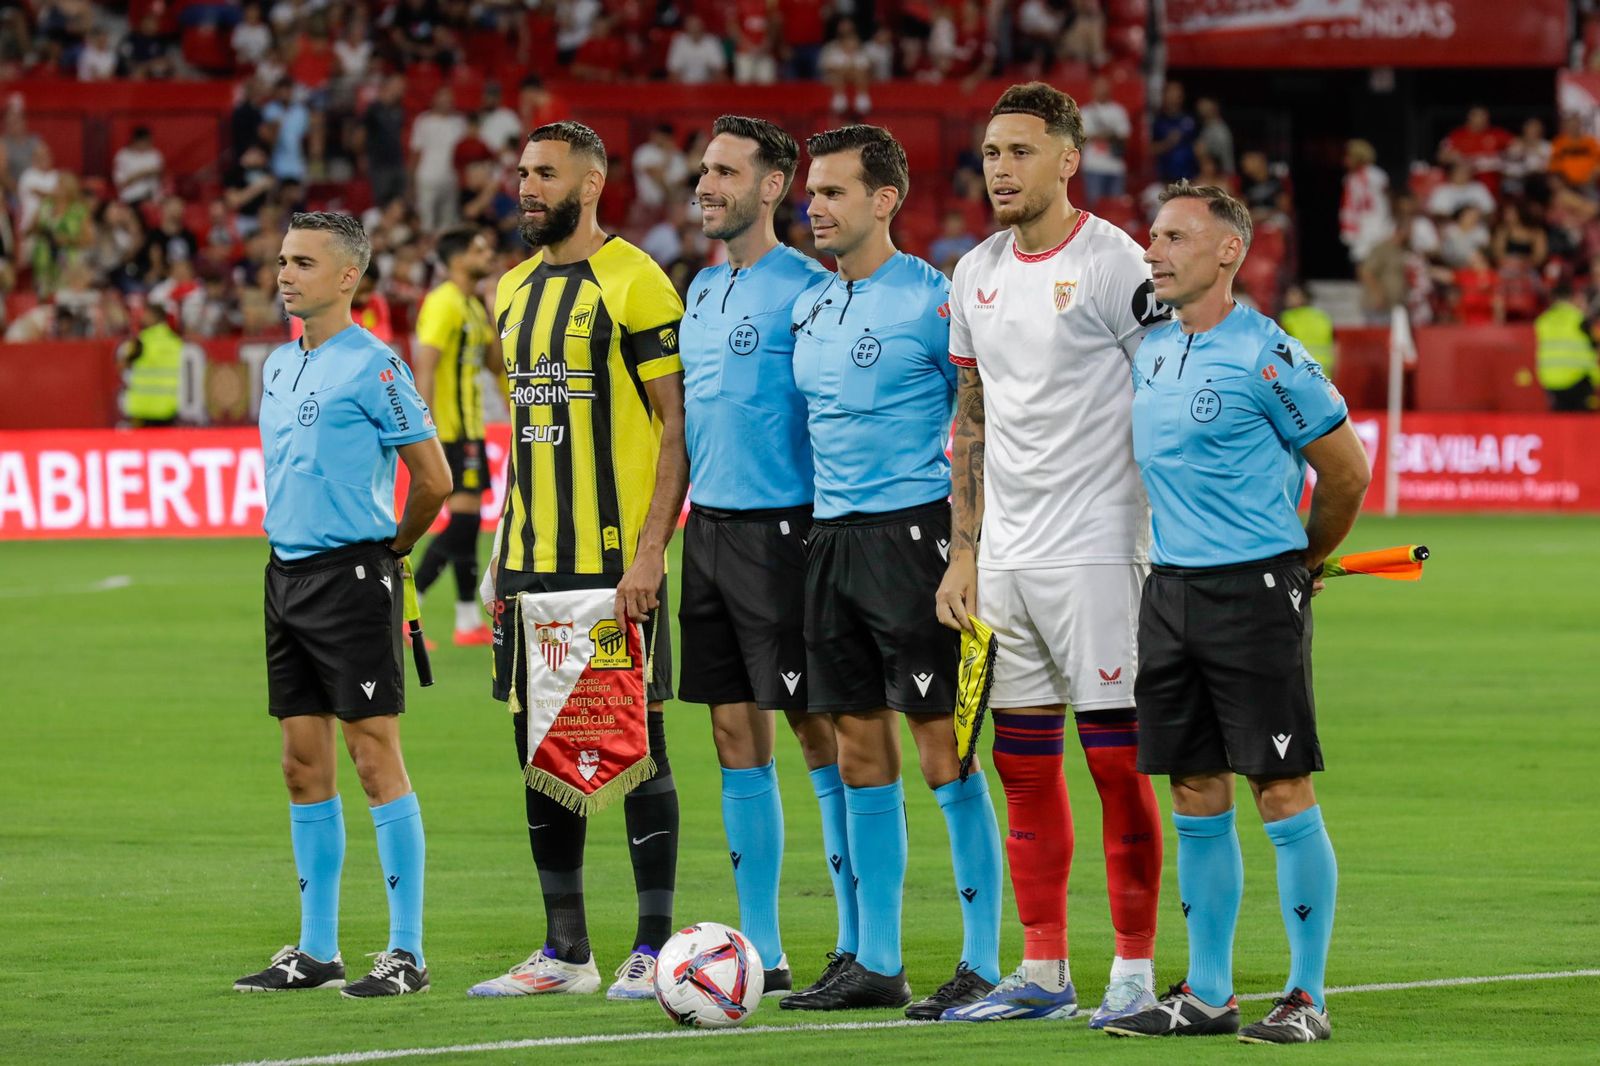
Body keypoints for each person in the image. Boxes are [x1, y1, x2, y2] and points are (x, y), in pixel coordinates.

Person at [1104, 183, 1370, 1042]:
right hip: (1170, 591)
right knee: (1193, 786)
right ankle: (1209, 994)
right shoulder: (1152, 349)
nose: (1154, 250)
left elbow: (1347, 472)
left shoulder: (1269, 356)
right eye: (1153, 235)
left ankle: (1305, 998)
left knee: (1279, 786)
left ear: (1229, 252)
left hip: (1252, 592)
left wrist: (1304, 561)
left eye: (1176, 237)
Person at [933, 82, 1168, 1027]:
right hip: (1009, 561)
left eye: (1021, 151)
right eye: (991, 152)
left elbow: (1167, 393)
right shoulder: (974, 272)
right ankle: (1042, 969)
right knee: (1021, 766)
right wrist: (964, 548)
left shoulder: (1118, 266)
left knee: (1115, 763)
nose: (1000, 168)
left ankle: (1135, 975)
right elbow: (972, 417)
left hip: (1104, 551)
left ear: (1067, 160)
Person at [778, 124, 1003, 1019]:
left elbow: (982, 428)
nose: (816, 207)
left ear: (884, 201)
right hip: (828, 542)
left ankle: (983, 960)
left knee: (942, 751)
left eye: (833, 192)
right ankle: (877, 960)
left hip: (912, 543)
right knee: (858, 748)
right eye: (812, 192)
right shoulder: (812, 305)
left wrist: (968, 548)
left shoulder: (935, 301)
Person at [470, 121, 687, 1002]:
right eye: (521, 172)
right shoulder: (512, 291)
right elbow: (528, 433)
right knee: (540, 745)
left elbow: (677, 428)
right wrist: (497, 549)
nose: (525, 187)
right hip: (529, 559)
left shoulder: (636, 282)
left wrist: (651, 552)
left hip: (612, 563)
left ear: (591, 183)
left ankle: (652, 947)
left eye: (544, 174)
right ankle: (565, 950)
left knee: (639, 747)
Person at [234, 211, 452, 999]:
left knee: (372, 757)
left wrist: (391, 555)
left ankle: (406, 952)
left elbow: (433, 479)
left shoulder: (376, 367)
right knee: (301, 765)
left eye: (302, 262)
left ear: (347, 277)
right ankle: (316, 950)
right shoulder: (278, 365)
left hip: (353, 578)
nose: (284, 273)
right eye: (283, 260)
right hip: (284, 576)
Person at [675, 114, 847, 999]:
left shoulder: (809, 289)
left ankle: (855, 938)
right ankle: (764, 949)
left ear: (773, 186)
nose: (705, 185)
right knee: (732, 732)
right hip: (708, 534)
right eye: (704, 170)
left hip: (788, 532)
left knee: (819, 727)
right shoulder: (699, 292)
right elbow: (683, 431)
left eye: (724, 171)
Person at [411, 227, 499, 645]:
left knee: (470, 521)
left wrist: (496, 308)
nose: (489, 253)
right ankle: (406, 605)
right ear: (458, 258)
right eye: (480, 248)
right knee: (463, 523)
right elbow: (424, 364)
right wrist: (423, 428)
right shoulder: (443, 302)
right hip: (446, 429)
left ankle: (466, 620)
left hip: (470, 429)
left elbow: (497, 363)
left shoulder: (473, 304)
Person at [1534, 281, 1599, 411]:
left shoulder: (1542, 321)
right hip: (1579, 379)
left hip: (1550, 380)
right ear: (1572, 297)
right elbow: (1594, 345)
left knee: (1560, 421)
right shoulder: (1580, 318)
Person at [118, 300, 183, 427]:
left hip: (144, 407)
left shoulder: (142, 341)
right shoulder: (175, 341)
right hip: (168, 406)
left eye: (145, 314)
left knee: (143, 446)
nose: (142, 317)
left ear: (153, 316)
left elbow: (123, 364)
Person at [1279, 281, 1336, 384]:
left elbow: (1282, 349)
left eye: (1293, 294)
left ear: (1304, 297)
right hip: (1324, 372)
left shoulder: (1287, 318)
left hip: (1300, 371)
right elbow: (1335, 347)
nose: (1288, 297)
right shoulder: (1323, 317)